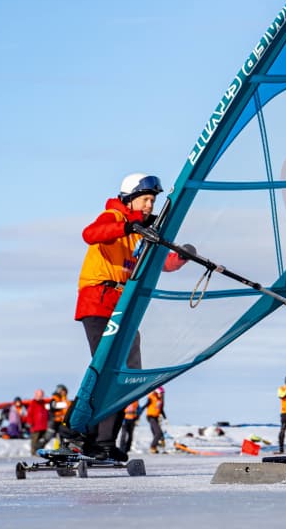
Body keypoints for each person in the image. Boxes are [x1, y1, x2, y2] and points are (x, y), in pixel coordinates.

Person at [74, 173, 188, 462]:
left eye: (153, 200)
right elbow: (91, 234)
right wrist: (128, 225)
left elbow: (161, 262)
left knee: (128, 372)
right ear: (129, 198)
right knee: (106, 369)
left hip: (122, 307)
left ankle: (105, 441)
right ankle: (81, 435)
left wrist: (183, 256)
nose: (150, 204)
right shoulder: (112, 215)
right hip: (98, 301)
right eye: (145, 199)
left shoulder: (141, 231)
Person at [27, 389, 50, 455]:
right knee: (35, 440)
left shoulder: (43, 403)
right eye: (39, 395)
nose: (40, 397)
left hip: (43, 426)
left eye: (41, 395)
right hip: (35, 426)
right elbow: (29, 414)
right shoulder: (32, 403)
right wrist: (30, 423)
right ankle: (33, 452)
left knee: (42, 440)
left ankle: (40, 452)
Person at [145, 387, 166, 453]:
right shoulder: (152, 397)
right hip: (151, 417)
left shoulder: (160, 400)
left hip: (156, 417)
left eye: (162, 394)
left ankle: (157, 446)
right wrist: (138, 413)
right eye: (160, 393)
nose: (162, 395)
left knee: (157, 433)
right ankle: (152, 447)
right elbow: (146, 405)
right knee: (158, 432)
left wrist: (165, 417)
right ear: (157, 393)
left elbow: (161, 410)